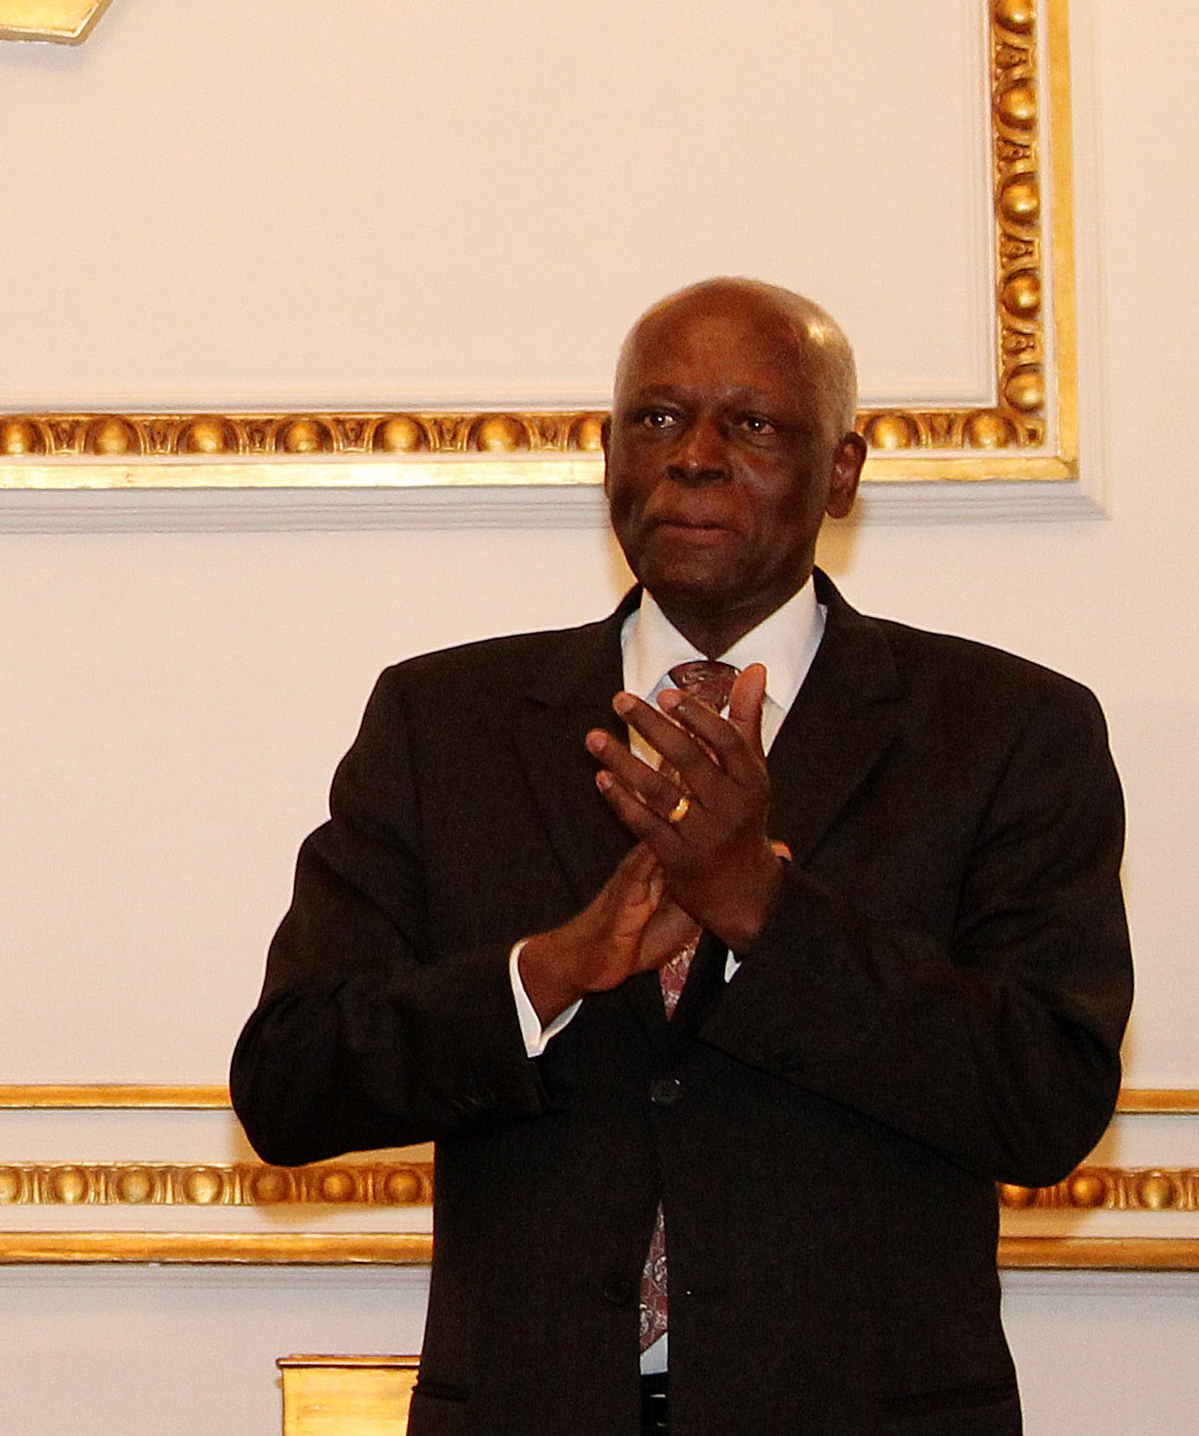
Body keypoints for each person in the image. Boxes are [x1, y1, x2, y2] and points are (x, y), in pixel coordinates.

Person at [231, 279, 1131, 1436]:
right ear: (607, 457)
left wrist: (762, 907)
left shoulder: (1003, 731)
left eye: (750, 424)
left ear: (841, 471)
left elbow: (1045, 1105)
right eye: (655, 419)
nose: (694, 457)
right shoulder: (443, 720)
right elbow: (286, 1083)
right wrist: (548, 971)